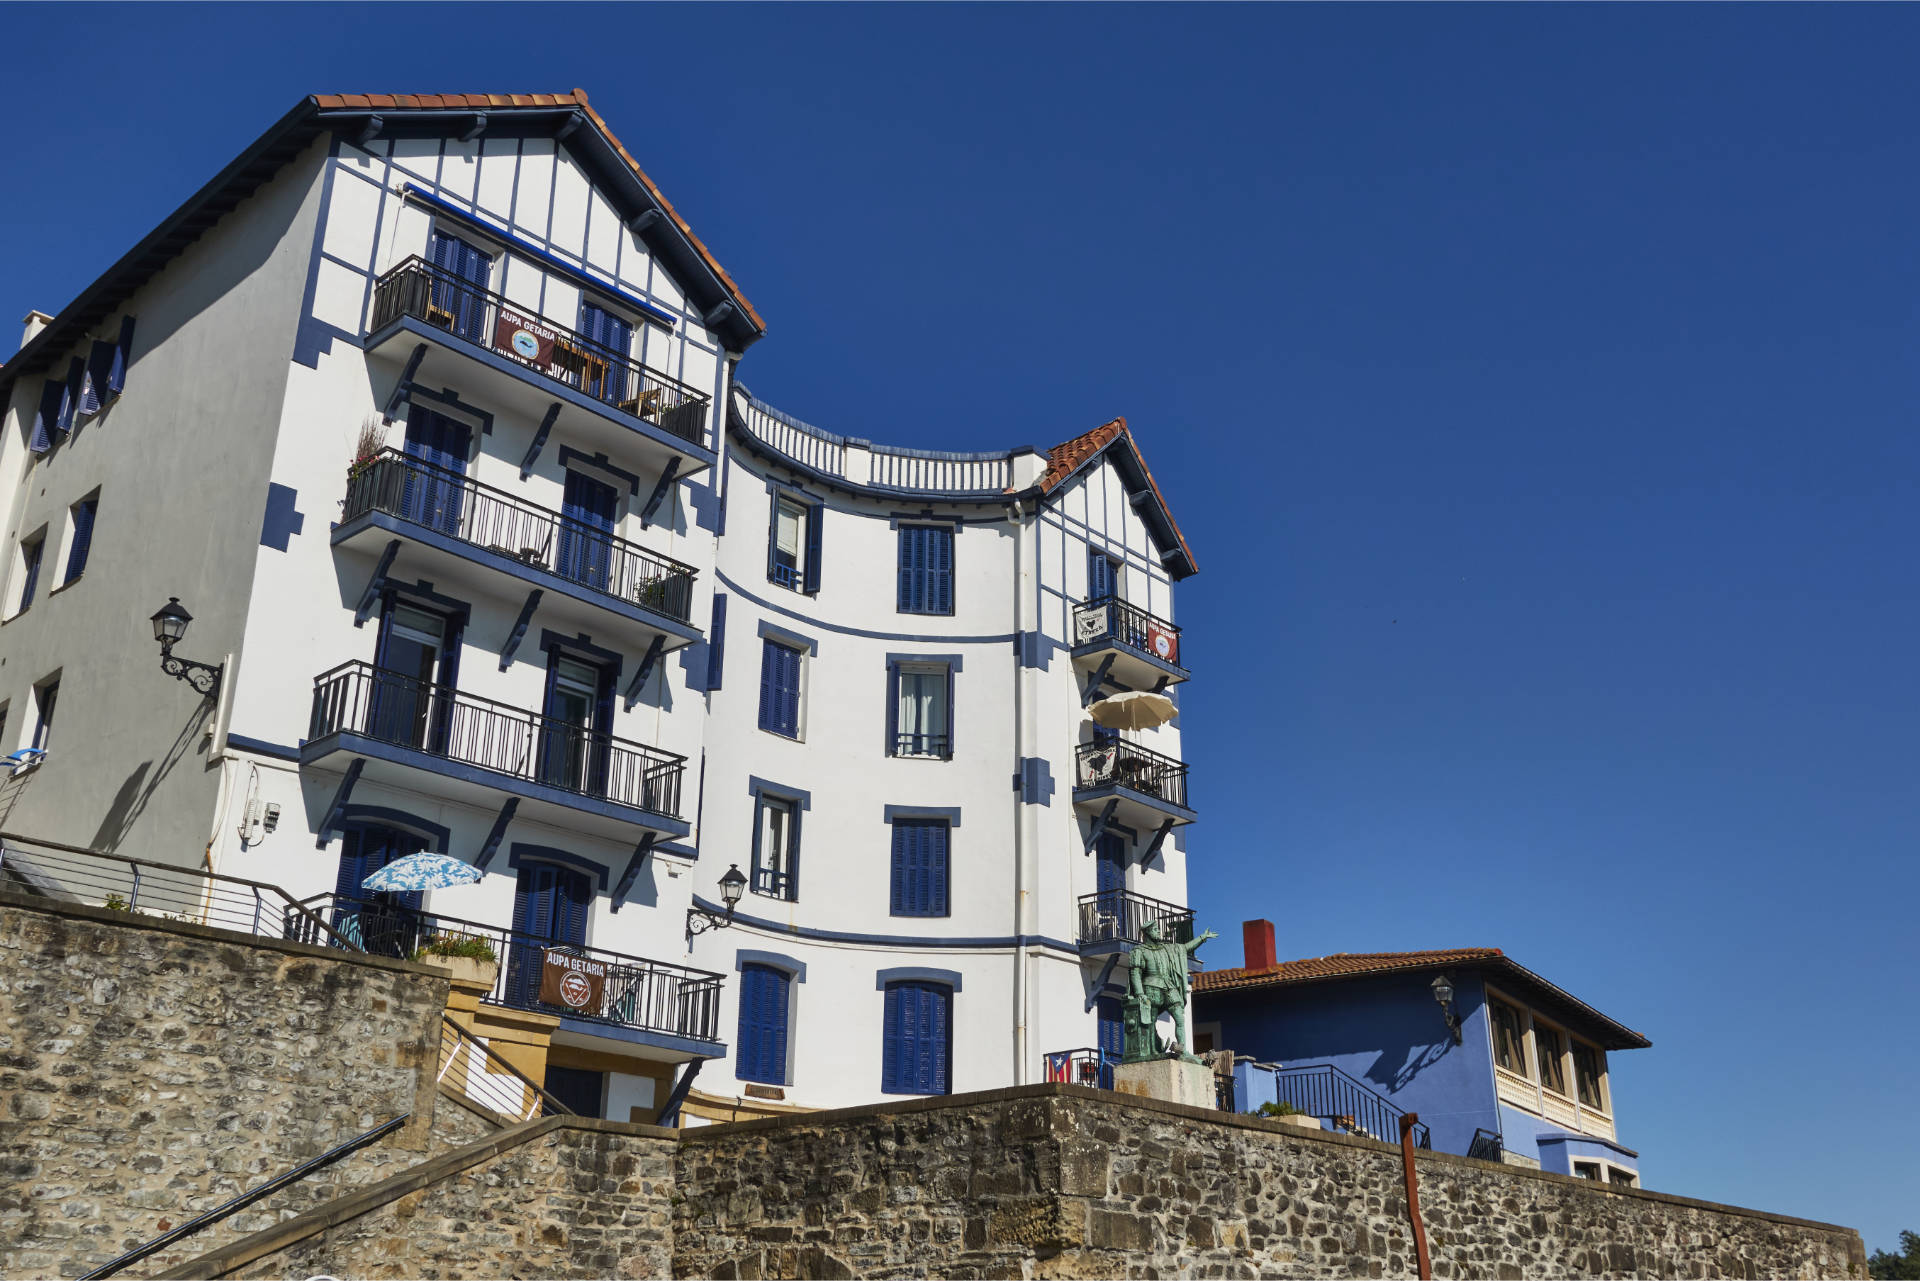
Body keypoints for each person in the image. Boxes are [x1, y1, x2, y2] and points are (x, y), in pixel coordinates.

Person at [1123, 919, 1218, 1063]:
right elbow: (1135, 973)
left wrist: (1202, 938)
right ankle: (1153, 1051)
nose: (1159, 932)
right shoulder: (1139, 951)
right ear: (1147, 932)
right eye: (1155, 930)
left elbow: (1184, 948)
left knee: (1180, 1017)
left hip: (1168, 986)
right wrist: (1140, 993)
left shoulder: (1167, 949)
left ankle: (1183, 1050)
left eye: (1158, 929)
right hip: (1150, 987)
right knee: (1150, 1022)